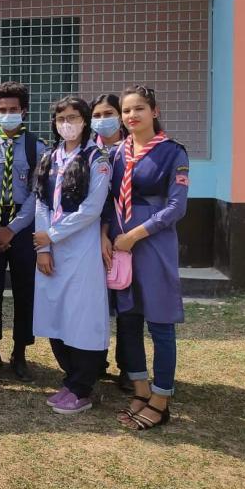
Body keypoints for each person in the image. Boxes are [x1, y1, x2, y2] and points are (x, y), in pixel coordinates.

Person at [107, 85, 189, 431]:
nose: (131, 116)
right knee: (128, 320)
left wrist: (134, 236)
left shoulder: (172, 153)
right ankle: (140, 390)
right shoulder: (116, 153)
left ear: (154, 112)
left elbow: (176, 207)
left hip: (153, 245)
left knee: (160, 324)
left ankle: (161, 398)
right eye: (126, 110)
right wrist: (108, 238)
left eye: (139, 108)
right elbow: (106, 199)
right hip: (120, 245)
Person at [31, 96, 112, 415]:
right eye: (61, 117)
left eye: (74, 117)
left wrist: (52, 234)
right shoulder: (49, 156)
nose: (67, 123)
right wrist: (44, 247)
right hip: (51, 249)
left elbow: (92, 210)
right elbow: (41, 203)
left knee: (82, 316)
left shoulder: (97, 157)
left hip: (82, 250)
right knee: (56, 313)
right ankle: (70, 378)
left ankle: (83, 386)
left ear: (86, 120)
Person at [0, 82, 48, 382]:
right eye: (2, 110)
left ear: (24, 111)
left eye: (14, 110)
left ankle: (20, 352)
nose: (8, 115)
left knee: (24, 290)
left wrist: (13, 229)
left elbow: (37, 193)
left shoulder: (37, 147)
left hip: (22, 224)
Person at [91, 93, 133, 393]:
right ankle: (95, 361)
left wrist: (110, 234)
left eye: (109, 113)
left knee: (128, 307)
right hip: (90, 238)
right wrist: (99, 234)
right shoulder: (87, 150)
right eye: (98, 114)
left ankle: (130, 367)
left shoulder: (132, 150)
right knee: (95, 305)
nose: (103, 119)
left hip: (124, 237)